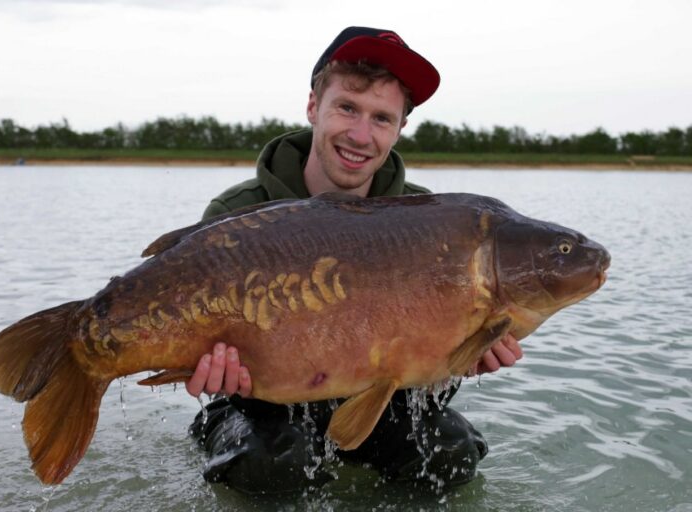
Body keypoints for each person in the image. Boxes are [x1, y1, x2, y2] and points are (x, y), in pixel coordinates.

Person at [186, 26, 523, 494]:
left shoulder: (428, 218)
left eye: (382, 118)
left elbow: (423, 363)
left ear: (400, 127)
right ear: (313, 106)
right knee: (272, 463)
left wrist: (464, 358)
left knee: (451, 452)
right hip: (261, 411)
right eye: (347, 108)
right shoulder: (238, 214)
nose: (361, 135)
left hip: (387, 405)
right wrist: (213, 373)